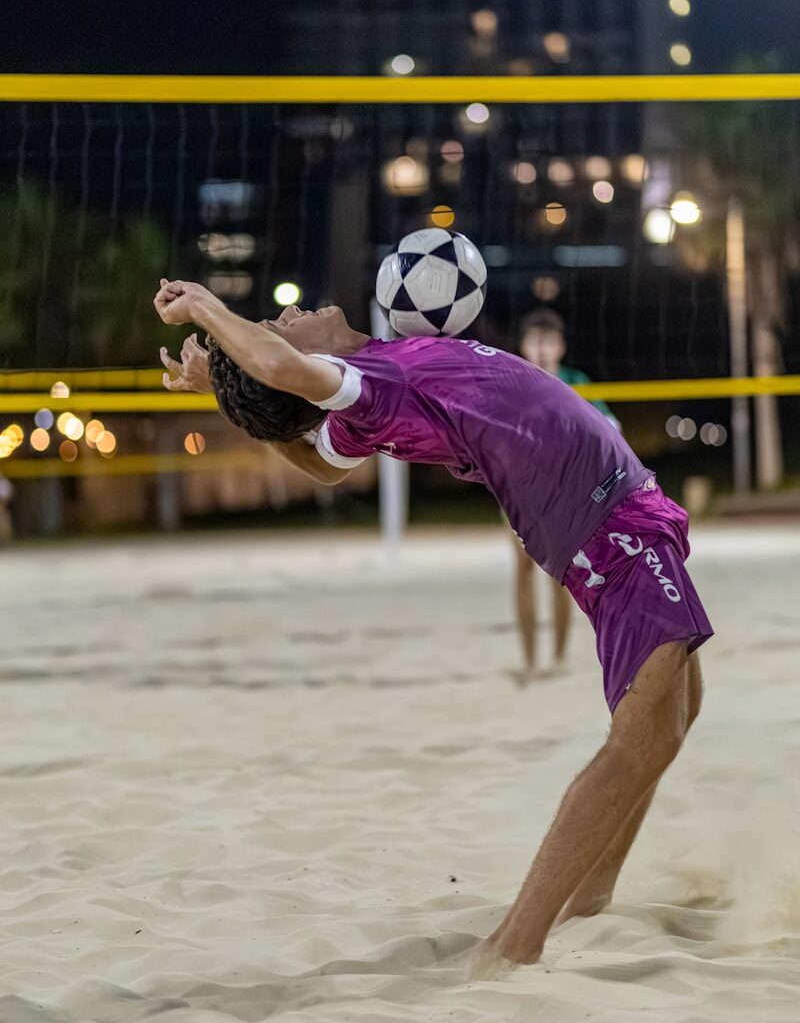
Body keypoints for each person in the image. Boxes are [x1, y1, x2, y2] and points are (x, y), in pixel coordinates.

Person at [155, 279, 712, 967]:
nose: (290, 314)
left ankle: (587, 903)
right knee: (644, 736)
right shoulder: (366, 382)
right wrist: (208, 309)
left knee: (677, 713)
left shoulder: (373, 387)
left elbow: (319, 463)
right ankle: (512, 945)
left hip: (613, 514)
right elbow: (276, 371)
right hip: (605, 524)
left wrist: (220, 380)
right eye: (278, 323)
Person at [512, 309, 621, 682]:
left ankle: (557, 658)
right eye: (535, 341)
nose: (541, 349)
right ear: (524, 346)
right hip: (520, 489)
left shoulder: (575, 382)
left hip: (564, 491)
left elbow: (610, 425)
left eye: (548, 341)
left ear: (560, 346)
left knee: (561, 572)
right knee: (524, 570)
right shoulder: (512, 381)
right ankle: (529, 660)